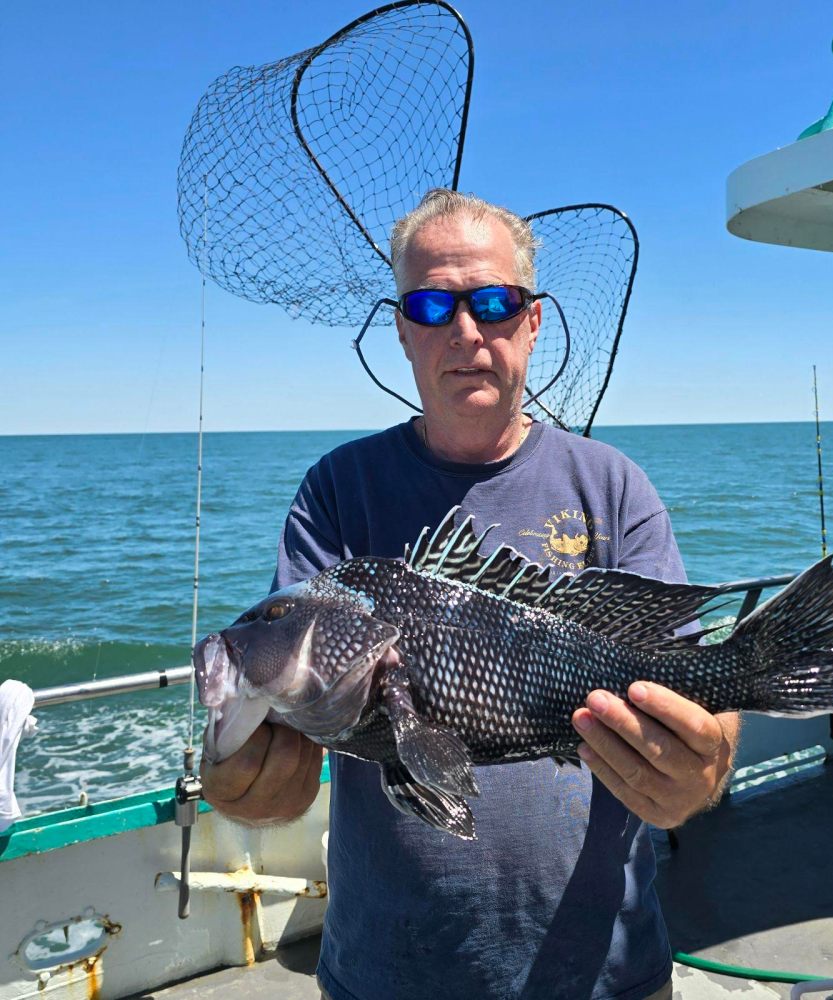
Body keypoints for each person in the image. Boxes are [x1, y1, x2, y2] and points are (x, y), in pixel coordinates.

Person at [201, 189, 739, 1000]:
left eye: (494, 302)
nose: (465, 331)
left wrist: (706, 766)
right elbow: (288, 763)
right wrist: (249, 786)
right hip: (389, 974)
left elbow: (696, 687)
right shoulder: (338, 490)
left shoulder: (613, 485)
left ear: (532, 322)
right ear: (402, 329)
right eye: (431, 304)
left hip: (605, 976)